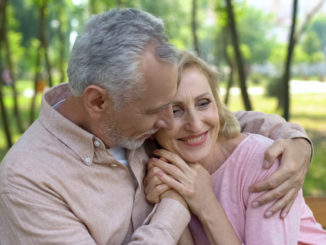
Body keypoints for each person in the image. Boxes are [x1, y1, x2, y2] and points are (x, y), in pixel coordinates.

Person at [0, 8, 311, 245]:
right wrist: (174, 205)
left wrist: (294, 139)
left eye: (169, 107)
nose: (169, 122)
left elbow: (217, 121)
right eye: (160, 110)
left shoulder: (134, 124)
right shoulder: (28, 181)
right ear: (97, 102)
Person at [144, 50, 326, 245]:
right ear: (150, 122)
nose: (195, 125)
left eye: (203, 103)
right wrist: (171, 202)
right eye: (175, 110)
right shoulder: (161, 170)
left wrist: (206, 205)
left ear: (218, 106)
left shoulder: (264, 162)